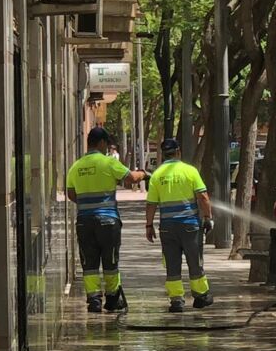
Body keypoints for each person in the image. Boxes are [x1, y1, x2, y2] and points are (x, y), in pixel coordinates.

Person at [66, 127, 146, 313]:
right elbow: (131, 178)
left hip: (84, 222)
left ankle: (94, 299)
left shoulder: (76, 166)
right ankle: (112, 298)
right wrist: (143, 173)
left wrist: (87, 204)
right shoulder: (108, 162)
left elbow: (71, 194)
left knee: (89, 262)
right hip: (108, 221)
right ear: (101, 143)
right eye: (107, 144)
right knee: (110, 260)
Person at [145, 138, 214, 312]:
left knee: (172, 264)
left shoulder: (157, 175)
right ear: (178, 152)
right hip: (189, 225)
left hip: (167, 227)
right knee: (194, 261)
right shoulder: (189, 171)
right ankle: (200, 296)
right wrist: (208, 217)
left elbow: (151, 204)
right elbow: (203, 196)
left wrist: (149, 225)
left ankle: (176, 300)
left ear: (163, 155)